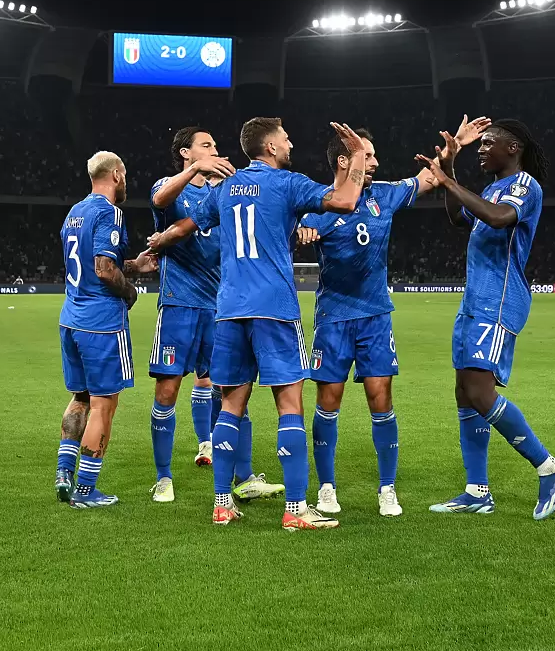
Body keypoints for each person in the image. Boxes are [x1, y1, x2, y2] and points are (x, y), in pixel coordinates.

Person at [152, 118, 368, 530]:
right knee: (289, 405)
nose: (290, 144)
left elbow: (188, 220)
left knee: (230, 405)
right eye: (285, 139)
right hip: (274, 308)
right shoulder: (288, 183)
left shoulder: (225, 187)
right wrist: (356, 155)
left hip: (229, 309)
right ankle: (295, 509)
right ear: (270, 147)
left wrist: (163, 239)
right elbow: (344, 201)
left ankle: (221, 504)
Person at [298, 117, 491, 518]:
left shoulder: (384, 195)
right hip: (333, 317)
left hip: (375, 318)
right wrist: (301, 232)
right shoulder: (319, 203)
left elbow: (430, 177)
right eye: (366, 156)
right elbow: (288, 231)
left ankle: (387, 488)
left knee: (381, 399)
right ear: (344, 161)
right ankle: (327, 487)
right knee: (328, 402)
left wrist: (453, 149)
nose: (374, 163)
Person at [414, 119, 555, 520]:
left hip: (499, 300)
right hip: (475, 300)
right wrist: (449, 167)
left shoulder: (524, 186)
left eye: (488, 143)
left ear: (512, 147)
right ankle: (477, 491)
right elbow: (458, 219)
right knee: (464, 392)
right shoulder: (488, 189)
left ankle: (550, 468)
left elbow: (500, 218)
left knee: (481, 391)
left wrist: (448, 182)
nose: (481, 149)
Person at [146, 127, 281, 504]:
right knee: (167, 390)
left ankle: (244, 476)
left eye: (215, 146)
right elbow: (158, 200)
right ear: (185, 153)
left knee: (231, 389)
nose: (215, 151)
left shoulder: (221, 194)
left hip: (221, 308)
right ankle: (163, 477)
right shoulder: (170, 187)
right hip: (178, 303)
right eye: (206, 146)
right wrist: (195, 171)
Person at [56, 151, 158, 509]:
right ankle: (85, 491)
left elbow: (93, 263)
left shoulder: (75, 213)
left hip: (71, 317)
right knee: (104, 405)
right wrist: (129, 291)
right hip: (100, 324)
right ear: (116, 174)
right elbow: (102, 268)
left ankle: (64, 474)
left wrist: (133, 265)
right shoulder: (109, 212)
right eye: (124, 175)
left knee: (81, 397)